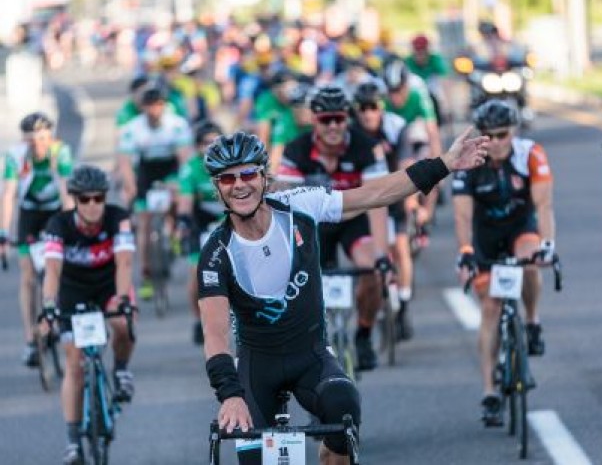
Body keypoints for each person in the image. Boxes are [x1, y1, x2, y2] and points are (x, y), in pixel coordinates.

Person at [198, 128, 488, 465]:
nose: (239, 185)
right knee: (253, 456)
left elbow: (373, 193)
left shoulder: (298, 207)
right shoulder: (217, 253)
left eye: (247, 174)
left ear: (264, 177)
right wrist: (230, 395)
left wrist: (444, 164)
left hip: (310, 356)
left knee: (343, 403)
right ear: (218, 188)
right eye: (227, 179)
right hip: (256, 368)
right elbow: (215, 335)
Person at [451, 99, 556, 426]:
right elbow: (462, 213)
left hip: (519, 227)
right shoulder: (469, 159)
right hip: (485, 236)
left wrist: (548, 246)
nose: (497, 142)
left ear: (514, 131)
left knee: (529, 257)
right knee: (491, 309)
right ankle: (489, 391)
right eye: (490, 135)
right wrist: (466, 249)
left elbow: (543, 204)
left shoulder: (531, 154)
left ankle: (533, 319)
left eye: (503, 134)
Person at [276, 84, 390, 371]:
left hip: (353, 221)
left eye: (339, 118)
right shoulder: (295, 150)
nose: (333, 126)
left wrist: (381, 254)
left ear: (347, 119)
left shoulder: (366, 147)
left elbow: (377, 201)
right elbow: (284, 206)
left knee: (371, 270)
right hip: (312, 226)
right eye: (326, 120)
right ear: (314, 120)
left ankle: (363, 334)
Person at [41, 165, 136, 464]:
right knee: (75, 365)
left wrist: (122, 300)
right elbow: (53, 269)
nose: (93, 205)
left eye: (98, 198)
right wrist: (48, 304)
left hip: (109, 287)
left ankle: (120, 369)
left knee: (123, 321)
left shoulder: (118, 218)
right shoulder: (58, 224)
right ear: (74, 200)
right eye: (85, 199)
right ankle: (72, 441)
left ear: (105, 198)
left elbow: (124, 264)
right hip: (73, 292)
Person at [0, 112, 74, 366]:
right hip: (30, 214)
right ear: (24, 141)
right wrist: (3, 232)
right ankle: (31, 338)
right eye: (32, 141)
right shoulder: (15, 156)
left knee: (58, 267)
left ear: (50, 137)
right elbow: (8, 194)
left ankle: (61, 318)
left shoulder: (60, 152)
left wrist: (69, 226)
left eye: (42, 139)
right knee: (28, 277)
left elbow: (67, 193)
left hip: (54, 212)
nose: (38, 145)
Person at [350, 81, 421, 339]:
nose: (368, 113)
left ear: (382, 107)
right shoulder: (350, 130)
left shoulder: (396, 126)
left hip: (394, 193)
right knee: (370, 253)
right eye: (363, 108)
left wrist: (412, 203)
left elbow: (406, 167)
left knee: (401, 248)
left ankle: (403, 302)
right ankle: (375, 300)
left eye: (373, 107)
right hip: (365, 198)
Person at [117, 86, 193, 298]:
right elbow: (125, 162)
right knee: (144, 223)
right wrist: (130, 185)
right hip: (146, 172)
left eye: (158, 105)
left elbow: (185, 158)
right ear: (143, 108)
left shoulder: (176, 125)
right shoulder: (133, 128)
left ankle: (176, 231)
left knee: (179, 198)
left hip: (170, 168)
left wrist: (180, 184)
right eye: (150, 106)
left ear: (164, 106)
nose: (154, 110)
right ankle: (147, 274)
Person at [177, 119, 226, 344]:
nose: (211, 146)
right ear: (197, 147)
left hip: (229, 222)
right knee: (195, 277)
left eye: (215, 142)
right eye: (206, 143)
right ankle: (199, 320)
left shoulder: (230, 163)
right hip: (202, 224)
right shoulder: (191, 168)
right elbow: (185, 201)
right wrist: (184, 221)